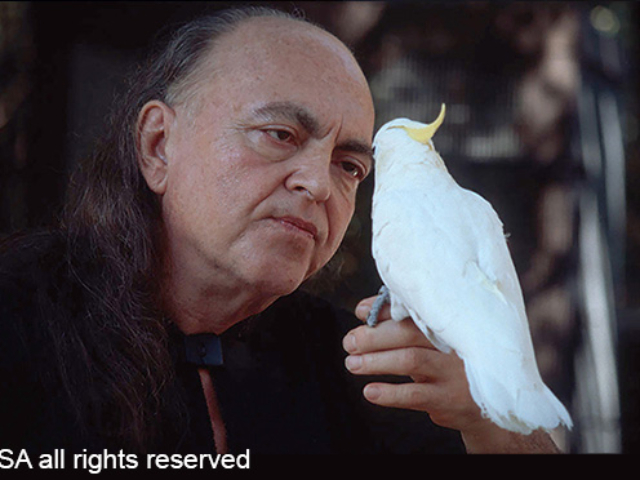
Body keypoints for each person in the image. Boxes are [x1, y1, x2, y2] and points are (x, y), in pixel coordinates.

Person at [0, 6, 561, 456]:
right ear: (157, 145)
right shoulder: (18, 319)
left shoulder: (370, 367)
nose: (318, 184)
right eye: (279, 134)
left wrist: (489, 420)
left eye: (349, 166)